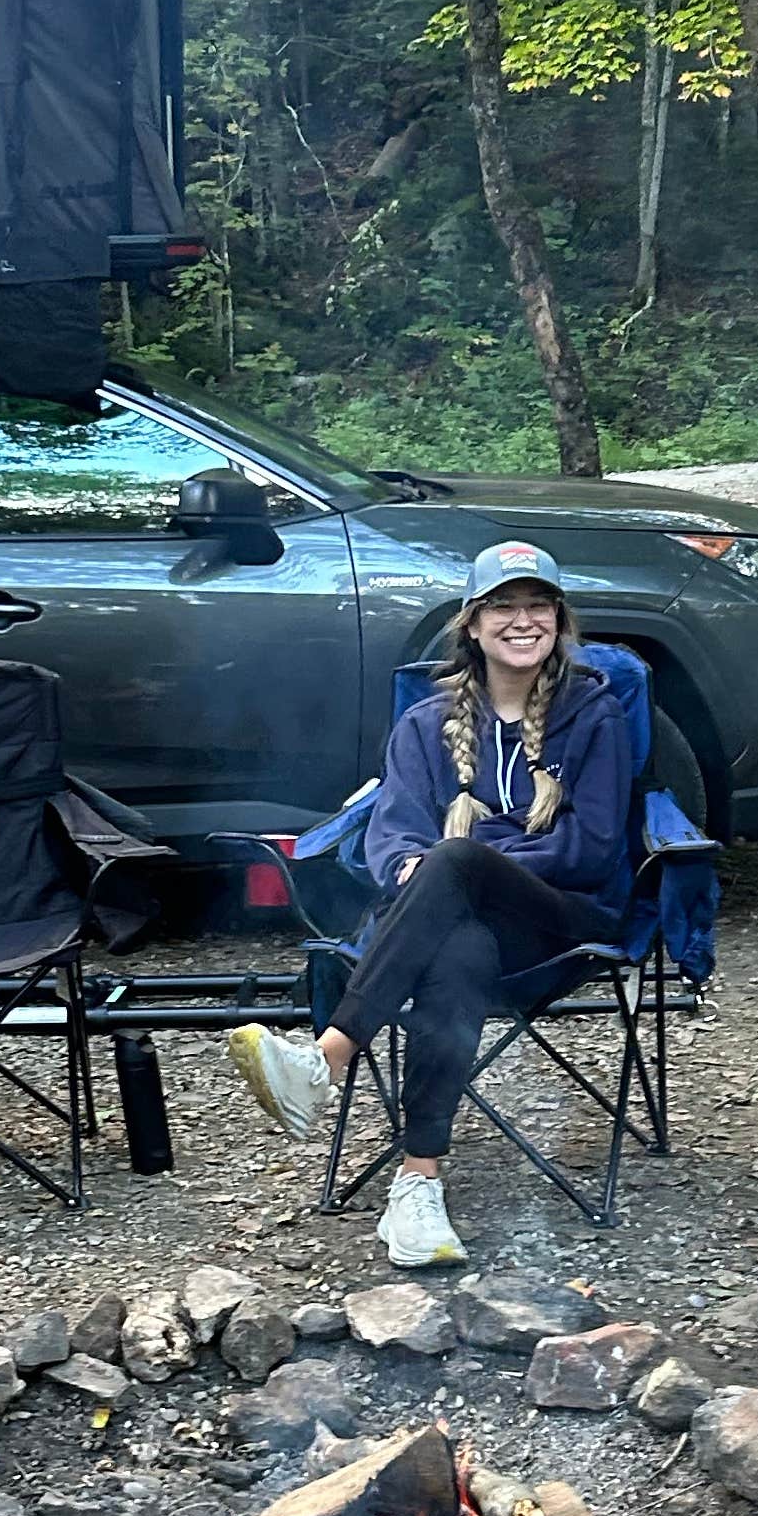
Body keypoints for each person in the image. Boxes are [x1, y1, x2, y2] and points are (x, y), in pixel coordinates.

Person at [228, 541, 637, 1269]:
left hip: (563, 928)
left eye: (537, 605)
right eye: (503, 607)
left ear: (558, 619)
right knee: (457, 949)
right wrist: (431, 874)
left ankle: (327, 1058)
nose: (522, 620)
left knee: (452, 863)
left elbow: (593, 849)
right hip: (463, 937)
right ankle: (417, 1189)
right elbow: (391, 835)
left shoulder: (595, 715)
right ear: (473, 625)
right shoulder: (425, 725)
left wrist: (471, 866)